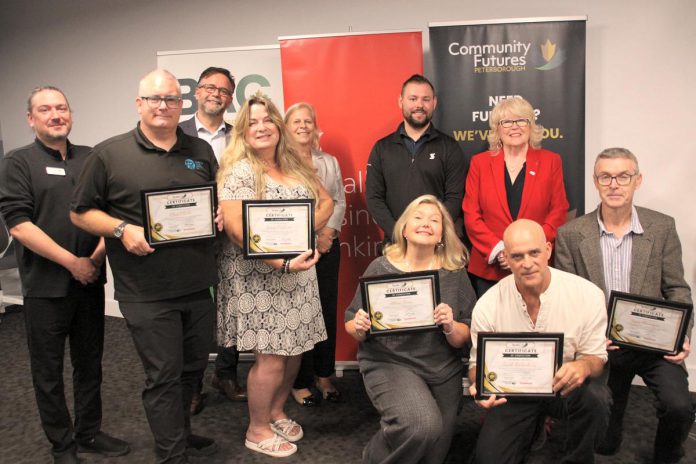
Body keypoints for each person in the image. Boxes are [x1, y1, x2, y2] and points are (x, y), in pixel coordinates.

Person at [70, 70, 219, 464]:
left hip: (198, 282)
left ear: (182, 103)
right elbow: (81, 213)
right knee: (164, 376)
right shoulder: (108, 154)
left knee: (192, 369)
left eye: (171, 99)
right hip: (146, 290)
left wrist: (215, 217)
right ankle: (172, 455)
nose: (163, 106)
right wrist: (121, 229)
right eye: (154, 99)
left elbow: (211, 201)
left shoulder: (200, 150)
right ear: (139, 104)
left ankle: (182, 436)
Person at [0, 87, 130, 464]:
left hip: (90, 281)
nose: (55, 115)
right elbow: (20, 226)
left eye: (61, 108)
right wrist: (73, 262)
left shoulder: (91, 157)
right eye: (45, 109)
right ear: (31, 119)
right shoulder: (18, 162)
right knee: (48, 371)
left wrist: (92, 258)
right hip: (45, 288)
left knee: (90, 364)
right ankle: (62, 445)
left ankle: (89, 432)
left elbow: (114, 213)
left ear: (70, 114)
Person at [555, 147, 694, 464]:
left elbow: (677, 289)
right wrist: (586, 339)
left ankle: (667, 455)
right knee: (605, 444)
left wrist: (681, 336)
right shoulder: (571, 235)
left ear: (637, 180)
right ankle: (608, 431)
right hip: (602, 345)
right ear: (596, 181)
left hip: (653, 344)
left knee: (680, 406)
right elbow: (567, 298)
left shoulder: (661, 228)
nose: (614, 184)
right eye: (606, 176)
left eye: (623, 176)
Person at [216, 92, 333, 457]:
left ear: (279, 126)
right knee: (271, 357)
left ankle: (277, 411)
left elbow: (327, 201)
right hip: (261, 279)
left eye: (268, 119)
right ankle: (257, 428)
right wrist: (280, 260)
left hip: (298, 274)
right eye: (253, 122)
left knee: (295, 348)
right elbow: (236, 230)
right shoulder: (239, 171)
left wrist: (301, 233)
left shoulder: (295, 164)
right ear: (243, 131)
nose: (262, 127)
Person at [346, 194, 475, 464]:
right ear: (403, 228)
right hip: (390, 362)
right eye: (417, 217)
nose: (425, 223)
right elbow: (352, 323)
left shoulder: (454, 272)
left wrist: (451, 326)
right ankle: (375, 456)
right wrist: (359, 326)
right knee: (421, 428)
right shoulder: (380, 267)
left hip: (442, 369)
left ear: (443, 233)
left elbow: (466, 334)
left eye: (434, 220)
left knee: (433, 454)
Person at [468, 219, 610, 464]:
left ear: (548, 250)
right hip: (513, 393)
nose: (527, 264)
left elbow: (596, 359)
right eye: (517, 256)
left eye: (534, 253)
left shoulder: (587, 295)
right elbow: (475, 365)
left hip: (563, 387)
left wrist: (583, 366)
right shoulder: (487, 305)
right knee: (487, 459)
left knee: (596, 398)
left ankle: (579, 458)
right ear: (507, 259)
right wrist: (478, 385)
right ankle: (532, 429)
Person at [179, 67, 246, 412]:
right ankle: (191, 385)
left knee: (231, 305)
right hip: (189, 238)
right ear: (197, 91)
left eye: (223, 90)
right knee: (195, 311)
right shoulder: (177, 134)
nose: (216, 94)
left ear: (230, 97)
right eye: (209, 87)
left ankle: (226, 374)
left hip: (231, 237)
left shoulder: (241, 137)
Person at [463, 96, 569, 297]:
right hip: (491, 267)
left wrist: (529, 250)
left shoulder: (551, 161)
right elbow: (471, 214)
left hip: (535, 266)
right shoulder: (480, 163)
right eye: (507, 122)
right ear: (497, 128)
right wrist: (500, 250)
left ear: (531, 125)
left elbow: (558, 211)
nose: (515, 127)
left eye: (521, 120)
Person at [284, 102, 346, 406]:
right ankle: (300, 381)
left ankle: (324, 375)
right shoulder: (278, 163)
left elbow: (340, 201)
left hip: (327, 247)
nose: (303, 126)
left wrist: (326, 235)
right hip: (292, 251)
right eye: (296, 121)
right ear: (286, 127)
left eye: (308, 120)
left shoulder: (329, 162)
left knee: (326, 310)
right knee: (299, 316)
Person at [366, 74, 467, 242]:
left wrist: (430, 231)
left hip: (437, 244)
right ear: (401, 102)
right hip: (395, 244)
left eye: (425, 99)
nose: (419, 105)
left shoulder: (449, 147)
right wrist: (398, 232)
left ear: (434, 103)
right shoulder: (382, 148)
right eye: (413, 99)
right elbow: (374, 198)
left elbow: (455, 198)